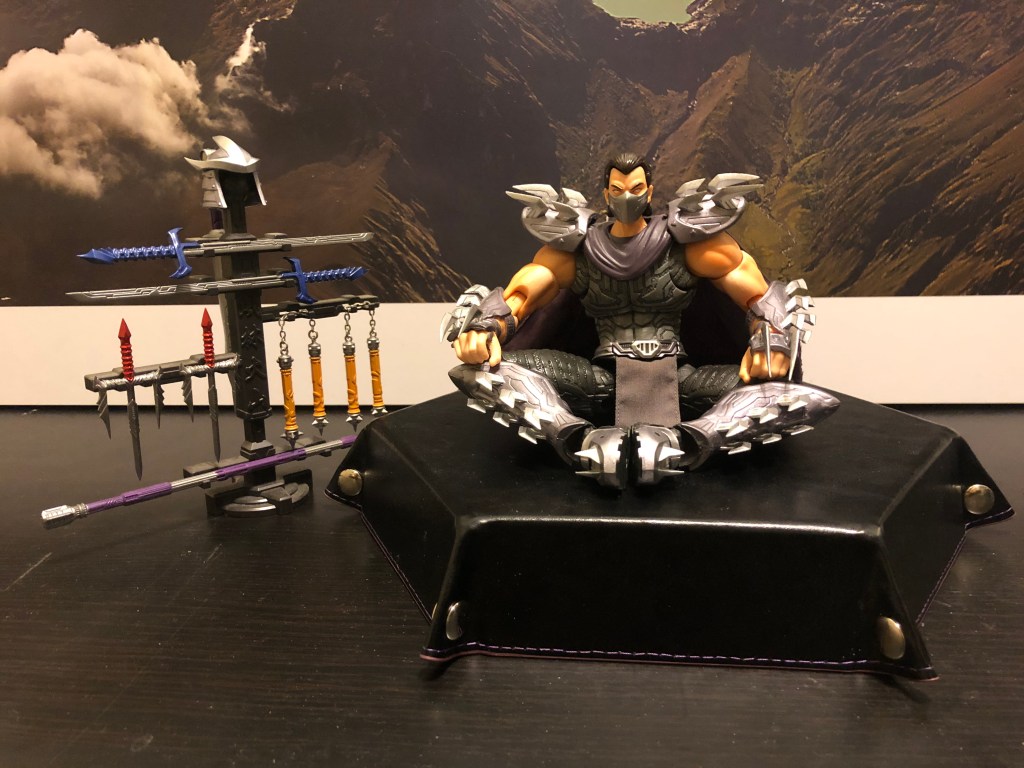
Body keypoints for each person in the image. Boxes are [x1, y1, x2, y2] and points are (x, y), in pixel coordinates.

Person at [441, 153, 837, 489]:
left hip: (680, 380)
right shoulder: (576, 250)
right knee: (486, 372)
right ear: (605, 194)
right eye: (617, 190)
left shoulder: (687, 245)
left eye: (635, 189)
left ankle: (691, 441)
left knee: (775, 391)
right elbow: (521, 296)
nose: (626, 198)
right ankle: (576, 437)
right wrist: (487, 327)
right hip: (599, 381)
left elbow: (757, 294)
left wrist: (771, 338)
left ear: (649, 191)